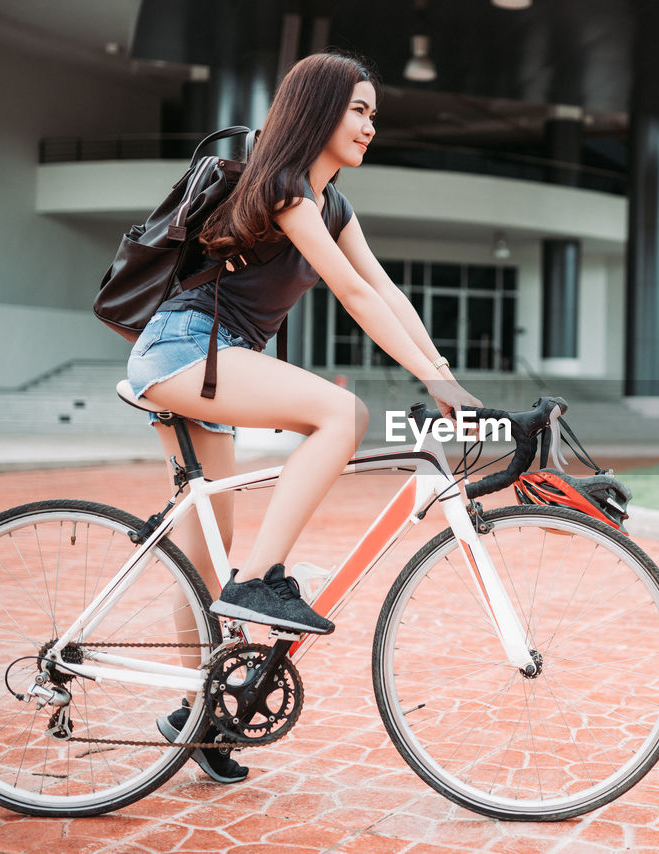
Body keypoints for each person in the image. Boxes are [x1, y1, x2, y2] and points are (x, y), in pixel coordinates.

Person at [127, 52, 481, 782]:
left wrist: (446, 375)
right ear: (318, 110)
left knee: (199, 564)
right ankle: (262, 580)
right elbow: (351, 292)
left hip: (211, 363)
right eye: (358, 110)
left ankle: (201, 719)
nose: (369, 126)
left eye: (373, 114)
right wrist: (433, 383)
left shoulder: (334, 205)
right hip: (187, 349)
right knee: (341, 413)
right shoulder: (285, 187)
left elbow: (384, 290)